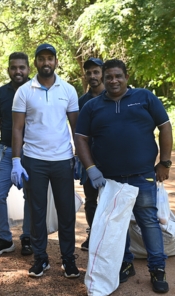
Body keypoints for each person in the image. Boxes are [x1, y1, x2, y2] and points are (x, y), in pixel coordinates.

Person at [75, 59, 172, 293]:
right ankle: (125, 264)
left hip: (143, 175)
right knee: (117, 223)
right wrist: (90, 168)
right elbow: (80, 138)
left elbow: (166, 126)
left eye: (118, 76)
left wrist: (165, 162)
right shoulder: (92, 106)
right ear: (104, 79)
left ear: (127, 77)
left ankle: (157, 269)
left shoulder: (145, 97)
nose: (113, 80)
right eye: (109, 77)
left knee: (148, 221)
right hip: (109, 179)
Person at [11, 43, 80, 278]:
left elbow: (76, 126)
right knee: (37, 211)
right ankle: (41, 259)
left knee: (66, 212)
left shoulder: (68, 90)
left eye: (50, 58)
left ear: (56, 62)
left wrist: (79, 156)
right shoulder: (24, 91)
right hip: (33, 160)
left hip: (62, 160)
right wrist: (16, 160)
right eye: (42, 59)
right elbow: (17, 129)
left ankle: (68, 259)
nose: (46, 63)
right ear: (36, 63)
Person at [0, 52, 33, 258]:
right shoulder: (1, 93)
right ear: (8, 70)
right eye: (14, 68)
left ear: (28, 69)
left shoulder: (36, 89)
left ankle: (28, 237)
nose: (18, 71)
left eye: (22, 67)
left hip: (31, 151)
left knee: (31, 196)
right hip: (4, 151)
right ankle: (4, 238)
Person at [75, 57, 104, 251]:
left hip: (113, 158)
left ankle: (113, 238)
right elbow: (78, 132)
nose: (92, 76)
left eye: (96, 72)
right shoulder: (81, 102)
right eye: (89, 72)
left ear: (103, 72)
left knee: (113, 199)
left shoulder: (114, 95)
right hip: (89, 159)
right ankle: (94, 233)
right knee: (91, 200)